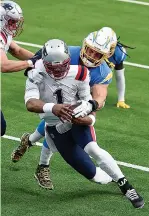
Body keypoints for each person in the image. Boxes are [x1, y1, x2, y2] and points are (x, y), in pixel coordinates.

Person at [25, 39, 144, 209]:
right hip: (55, 127)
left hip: (76, 120)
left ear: (69, 59)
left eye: (62, 65)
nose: (58, 71)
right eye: (53, 67)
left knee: (93, 149)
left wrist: (89, 113)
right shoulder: (35, 74)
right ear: (44, 63)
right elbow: (30, 104)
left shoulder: (80, 72)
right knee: (94, 175)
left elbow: (90, 101)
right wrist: (55, 108)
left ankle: (125, 185)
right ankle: (110, 176)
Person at [25, 38, 114, 187]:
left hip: (81, 97)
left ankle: (29, 143)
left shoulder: (103, 71)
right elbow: (38, 58)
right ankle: (40, 161)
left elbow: (99, 98)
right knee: (53, 122)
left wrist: (92, 105)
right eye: (91, 49)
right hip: (56, 92)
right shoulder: (70, 52)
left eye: (97, 54)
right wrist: (30, 68)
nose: (92, 55)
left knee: (60, 125)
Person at [0, 0, 42, 136]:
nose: (15, 25)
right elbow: (3, 65)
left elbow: (16, 50)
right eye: (11, 21)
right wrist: (30, 63)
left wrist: (41, 60)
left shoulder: (4, 32)